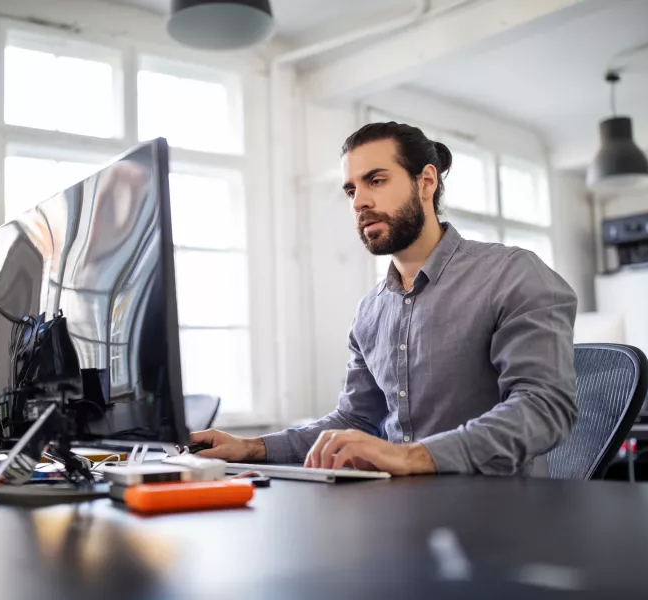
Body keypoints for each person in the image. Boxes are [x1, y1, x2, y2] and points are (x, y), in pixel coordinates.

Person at [190, 122, 578, 477]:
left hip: (499, 512)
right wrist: (252, 448)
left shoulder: (511, 274)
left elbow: (545, 407)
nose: (359, 202)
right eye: (351, 190)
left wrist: (412, 457)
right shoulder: (370, 311)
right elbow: (356, 420)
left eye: (375, 180)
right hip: (398, 509)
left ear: (426, 182)